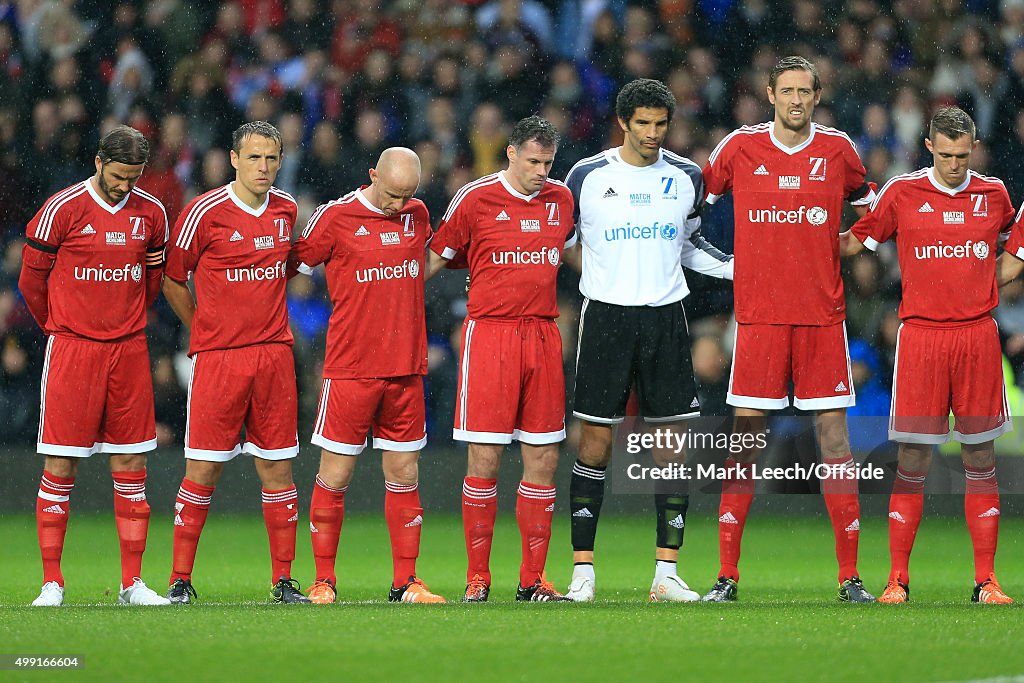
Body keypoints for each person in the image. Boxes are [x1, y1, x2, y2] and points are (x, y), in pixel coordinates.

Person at [701, 56, 876, 602]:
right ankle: (727, 576)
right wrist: (722, 264)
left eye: (806, 91)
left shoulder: (838, 150)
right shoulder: (738, 148)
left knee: (834, 442)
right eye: (787, 91)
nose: (797, 100)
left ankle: (850, 578)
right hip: (760, 319)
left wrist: (852, 243)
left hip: (823, 319)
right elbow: (693, 204)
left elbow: (870, 207)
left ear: (817, 96)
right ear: (770, 94)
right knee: (745, 444)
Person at [560, 78, 734, 603]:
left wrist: (743, 271)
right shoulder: (586, 175)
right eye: (644, 124)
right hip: (606, 318)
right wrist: (603, 277)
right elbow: (562, 241)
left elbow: (691, 245)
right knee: (595, 442)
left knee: (671, 447)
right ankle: (583, 574)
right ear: (623, 122)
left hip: (665, 318)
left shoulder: (686, 177)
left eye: (661, 124)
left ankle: (666, 574)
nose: (654, 134)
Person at [845, 106, 1015, 604]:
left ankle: (986, 581)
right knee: (914, 458)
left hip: (978, 337)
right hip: (920, 339)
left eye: (963, 155)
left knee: (980, 456)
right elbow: (858, 242)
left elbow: (1011, 250)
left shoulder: (994, 195)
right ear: (929, 147)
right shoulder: (902, 192)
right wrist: (795, 238)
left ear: (974, 147)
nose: (955, 165)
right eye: (946, 155)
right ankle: (898, 579)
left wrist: (989, 280)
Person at [426, 115, 575, 602]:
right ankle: (478, 577)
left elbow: (575, 255)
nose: (541, 172)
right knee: (485, 458)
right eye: (532, 161)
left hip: (542, 336)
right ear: (510, 153)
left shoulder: (561, 200)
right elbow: (435, 258)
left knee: (544, 459)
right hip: (490, 337)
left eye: (548, 163)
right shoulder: (474, 197)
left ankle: (532, 579)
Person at [20, 125, 170, 606]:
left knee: (131, 464)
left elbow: (150, 283)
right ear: (99, 161)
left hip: (127, 351)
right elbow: (30, 283)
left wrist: (123, 321)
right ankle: (51, 582)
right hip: (73, 350)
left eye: (134, 177)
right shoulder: (61, 210)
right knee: (61, 463)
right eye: (119, 175)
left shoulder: (152, 214)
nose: (125, 185)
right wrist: (60, 328)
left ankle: (133, 583)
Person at [162, 121, 310, 604]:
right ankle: (180, 580)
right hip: (220, 360)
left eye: (271, 158)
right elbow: (172, 279)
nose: (263, 167)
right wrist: (202, 327)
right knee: (202, 470)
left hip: (273, 356)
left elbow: (284, 270)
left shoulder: (287, 210)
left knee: (278, 470)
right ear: (233, 159)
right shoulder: (203, 211)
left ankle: (283, 581)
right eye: (254, 158)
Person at [289, 148, 445, 604]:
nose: (399, 204)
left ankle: (406, 582)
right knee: (334, 476)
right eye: (392, 194)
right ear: (372, 174)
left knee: (404, 473)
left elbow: (422, 262)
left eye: (408, 194)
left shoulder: (417, 213)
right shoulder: (334, 217)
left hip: (405, 369)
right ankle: (323, 580)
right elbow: (293, 268)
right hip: (351, 369)